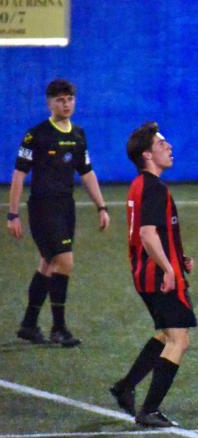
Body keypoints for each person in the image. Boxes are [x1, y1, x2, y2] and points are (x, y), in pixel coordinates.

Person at [7, 79, 110, 347]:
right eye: (60, 100)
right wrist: (13, 214)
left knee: (48, 263)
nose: (66, 104)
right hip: (43, 207)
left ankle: (29, 325)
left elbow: (86, 172)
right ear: (49, 103)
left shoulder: (78, 135)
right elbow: (19, 174)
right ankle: (59, 328)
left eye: (70, 99)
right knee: (65, 262)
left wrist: (101, 206)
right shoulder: (36, 135)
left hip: (66, 207)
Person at [110, 122, 197, 428]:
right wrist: (169, 268)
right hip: (158, 277)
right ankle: (149, 410)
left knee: (164, 334)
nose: (169, 146)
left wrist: (177, 257)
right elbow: (147, 234)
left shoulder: (139, 184)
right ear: (147, 155)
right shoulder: (154, 187)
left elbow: (156, 232)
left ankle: (125, 387)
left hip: (146, 274)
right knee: (179, 339)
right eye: (161, 144)